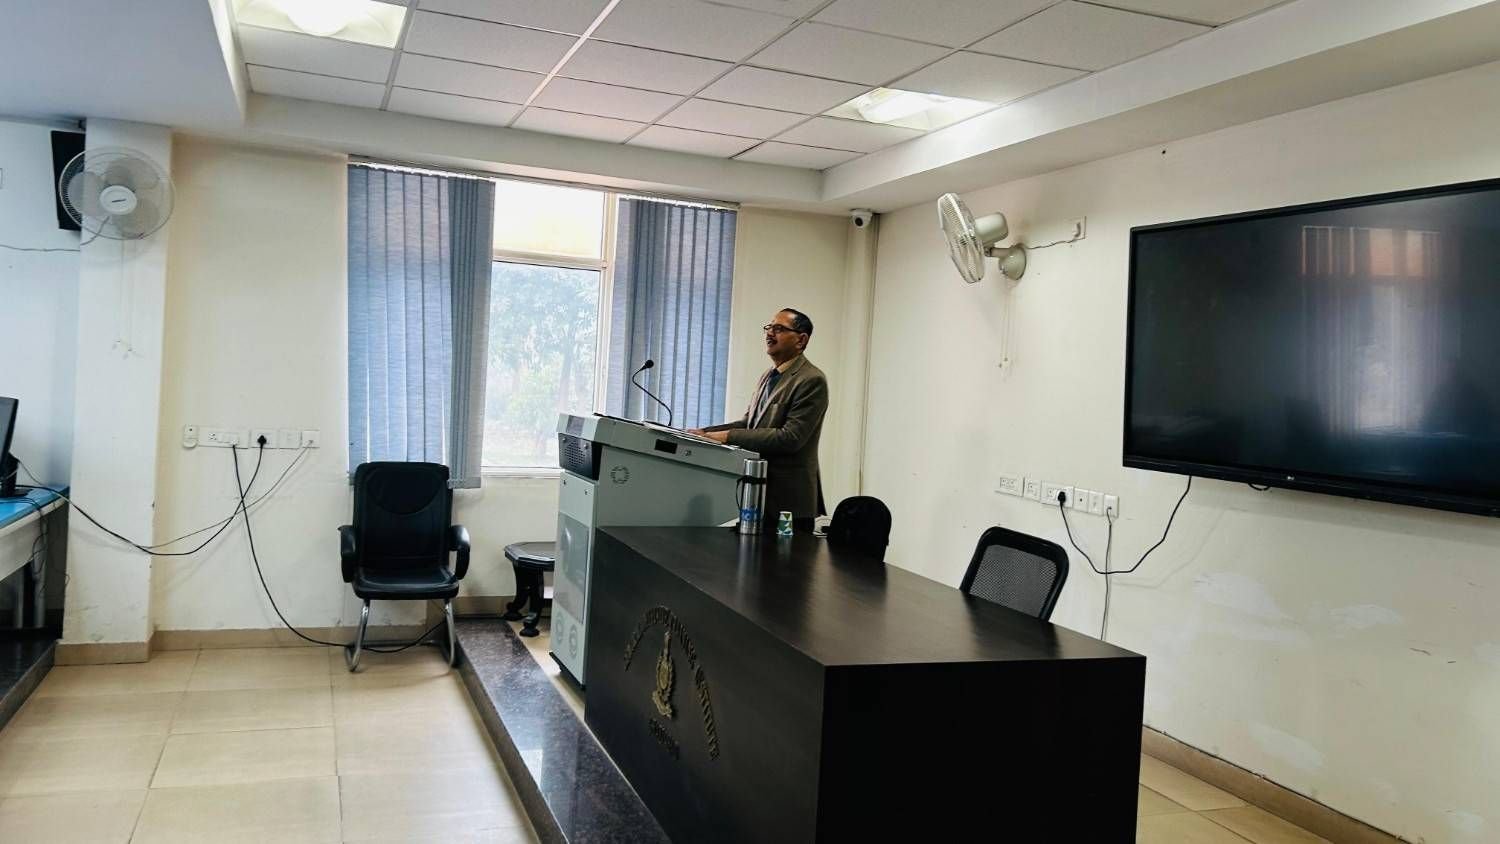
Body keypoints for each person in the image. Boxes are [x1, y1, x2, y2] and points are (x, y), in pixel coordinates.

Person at [691, 308, 829, 530]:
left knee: (787, 555)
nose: (770, 333)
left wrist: (726, 436)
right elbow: (749, 424)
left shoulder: (811, 379)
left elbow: (790, 438)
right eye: (769, 327)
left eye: (779, 329)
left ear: (801, 340)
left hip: (788, 503)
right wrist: (705, 433)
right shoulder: (768, 375)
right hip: (758, 495)